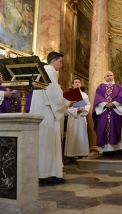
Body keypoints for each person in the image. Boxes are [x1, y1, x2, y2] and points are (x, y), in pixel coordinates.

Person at [29, 51, 72, 185]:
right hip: (47, 112)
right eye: (60, 61)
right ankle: (47, 174)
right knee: (48, 142)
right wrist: (68, 101)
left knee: (43, 142)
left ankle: (45, 173)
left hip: (41, 110)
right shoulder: (50, 71)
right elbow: (55, 95)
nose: (61, 64)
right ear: (53, 61)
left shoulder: (41, 71)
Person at [92, 71, 122, 157]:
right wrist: (105, 104)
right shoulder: (100, 87)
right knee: (103, 129)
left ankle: (115, 149)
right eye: (107, 76)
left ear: (113, 76)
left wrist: (114, 104)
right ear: (104, 78)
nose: (109, 77)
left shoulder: (118, 87)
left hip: (115, 112)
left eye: (111, 75)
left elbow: (121, 97)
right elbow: (98, 98)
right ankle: (105, 150)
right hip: (103, 111)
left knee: (114, 128)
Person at [64, 78, 91, 163]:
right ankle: (71, 156)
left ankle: (81, 154)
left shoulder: (84, 95)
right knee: (72, 136)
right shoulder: (69, 95)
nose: (77, 84)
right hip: (72, 118)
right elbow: (66, 107)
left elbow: (88, 105)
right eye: (75, 82)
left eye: (78, 82)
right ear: (73, 84)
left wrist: (82, 109)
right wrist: (75, 110)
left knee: (81, 135)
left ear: (81, 84)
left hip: (81, 117)